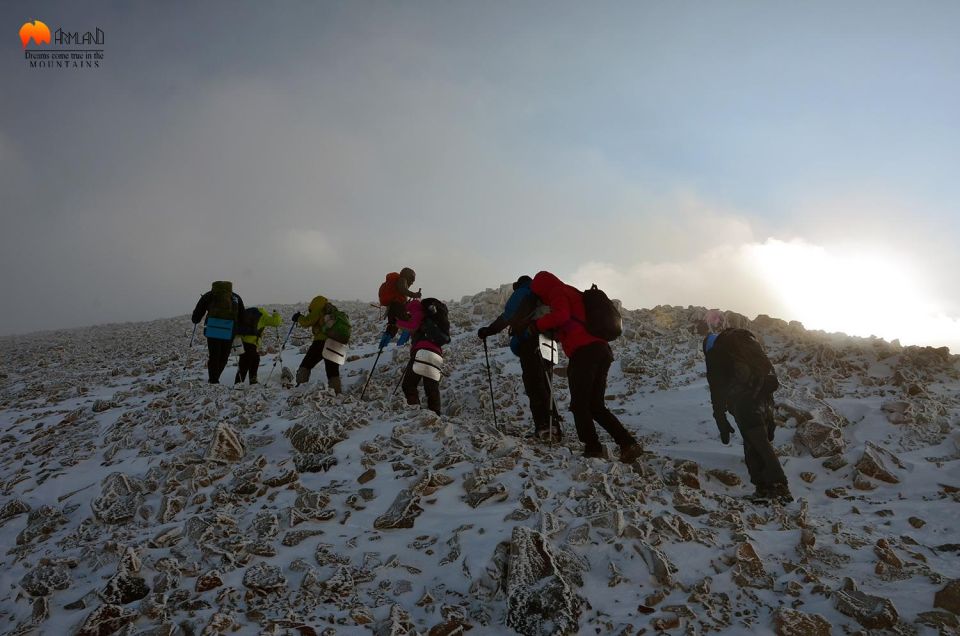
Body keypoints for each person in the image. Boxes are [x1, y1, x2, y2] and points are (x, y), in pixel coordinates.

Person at [527, 271, 644, 462]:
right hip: (601, 350)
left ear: (541, 288)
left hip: (584, 353)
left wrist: (537, 325)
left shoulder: (556, 291)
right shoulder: (572, 292)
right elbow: (571, 323)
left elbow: (561, 315)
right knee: (595, 405)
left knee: (579, 404)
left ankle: (593, 448)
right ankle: (627, 444)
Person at [703, 328, 792, 503]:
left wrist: (720, 418)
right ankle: (764, 489)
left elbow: (716, 388)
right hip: (764, 399)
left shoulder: (716, 353)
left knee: (757, 443)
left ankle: (778, 487)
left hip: (745, 401)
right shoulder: (744, 348)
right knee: (754, 442)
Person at [478, 275, 562, 441]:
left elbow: (508, 315)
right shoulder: (542, 296)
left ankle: (544, 427)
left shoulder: (523, 291)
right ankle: (554, 426)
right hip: (548, 343)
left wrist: (489, 330)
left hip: (530, 341)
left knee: (534, 384)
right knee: (545, 384)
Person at [398, 297, 450, 415]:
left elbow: (412, 326)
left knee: (409, 384)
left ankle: (415, 412)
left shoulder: (419, 314)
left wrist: (397, 322)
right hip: (436, 354)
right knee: (431, 387)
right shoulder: (435, 319)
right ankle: (435, 415)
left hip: (422, 351)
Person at [292, 295, 351, 394]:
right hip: (337, 343)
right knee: (333, 370)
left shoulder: (318, 309)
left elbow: (307, 322)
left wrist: (299, 317)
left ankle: (300, 388)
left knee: (306, 364)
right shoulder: (333, 311)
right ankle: (336, 393)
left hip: (321, 342)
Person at [191, 281, 244, 384]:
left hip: (212, 330)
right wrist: (238, 330)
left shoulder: (208, 296)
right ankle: (215, 378)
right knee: (224, 357)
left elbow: (196, 315)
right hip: (229, 331)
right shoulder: (235, 297)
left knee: (214, 356)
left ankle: (213, 380)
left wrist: (196, 319)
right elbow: (242, 316)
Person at [234, 307, 282, 385]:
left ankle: (251, 381)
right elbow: (276, 322)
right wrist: (276, 314)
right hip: (252, 343)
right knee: (248, 363)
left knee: (252, 361)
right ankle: (239, 384)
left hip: (243, 342)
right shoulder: (263, 315)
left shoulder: (247, 314)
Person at [378, 268, 422, 349]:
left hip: (391, 308)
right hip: (397, 307)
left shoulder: (395, 283)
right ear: (409, 276)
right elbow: (403, 290)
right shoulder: (402, 280)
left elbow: (400, 294)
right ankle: (401, 346)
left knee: (392, 327)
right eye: (412, 279)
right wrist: (415, 295)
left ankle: (382, 348)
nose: (412, 283)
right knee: (409, 324)